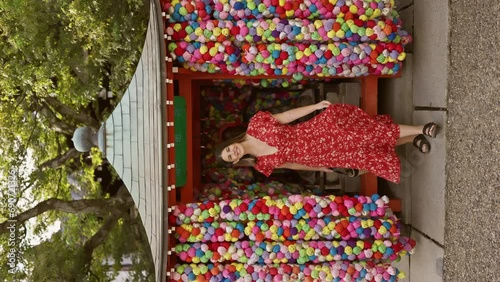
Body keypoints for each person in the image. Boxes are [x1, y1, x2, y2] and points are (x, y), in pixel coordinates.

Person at [216, 100, 438, 183]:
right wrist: (322, 167)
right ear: (235, 162)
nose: (233, 152)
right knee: (366, 150)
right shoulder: (260, 165)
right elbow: (292, 165)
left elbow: (286, 117)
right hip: (321, 155)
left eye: (228, 150)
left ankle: (421, 128)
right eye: (230, 157)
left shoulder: (256, 125)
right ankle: (412, 139)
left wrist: (313, 108)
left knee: (367, 133)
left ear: (230, 142)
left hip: (318, 132)